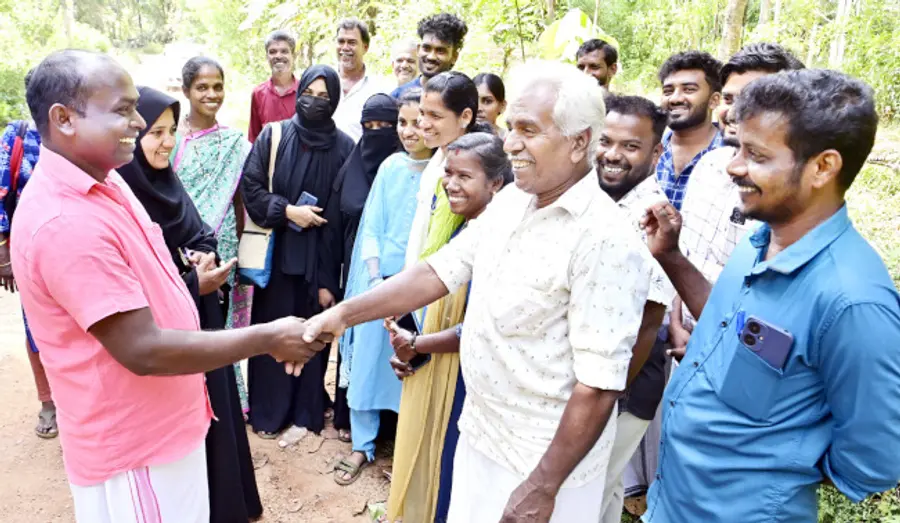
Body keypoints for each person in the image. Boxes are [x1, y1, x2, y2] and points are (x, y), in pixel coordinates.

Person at [302, 60, 652, 523]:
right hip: (481, 434)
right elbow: (436, 273)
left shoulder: (606, 239)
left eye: (529, 130)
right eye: (511, 128)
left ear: (579, 141)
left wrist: (542, 487)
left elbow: (599, 386)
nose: (510, 144)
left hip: (544, 468)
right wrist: (341, 316)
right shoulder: (512, 202)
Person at [11, 49, 323, 523]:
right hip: (136, 450)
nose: (138, 122)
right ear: (64, 119)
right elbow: (144, 350)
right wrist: (267, 338)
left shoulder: (108, 181)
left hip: (166, 431)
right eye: (121, 110)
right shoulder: (64, 221)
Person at [640, 69, 900, 522]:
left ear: (823, 167)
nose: (734, 166)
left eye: (756, 155)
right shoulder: (761, 240)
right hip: (672, 502)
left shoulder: (853, 304)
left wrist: (776, 471)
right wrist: (672, 258)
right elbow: (738, 330)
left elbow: (876, 460)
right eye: (737, 147)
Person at [118, 85, 263, 523]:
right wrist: (188, 281)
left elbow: (195, 230)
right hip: (163, 336)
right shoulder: (125, 193)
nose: (165, 142)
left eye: (169, 132)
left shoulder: (168, 182)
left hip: (201, 319)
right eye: (154, 133)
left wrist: (204, 255)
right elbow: (135, 278)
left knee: (217, 411)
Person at [387, 132, 512, 523]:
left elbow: (476, 326)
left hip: (474, 380)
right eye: (448, 173)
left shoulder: (499, 238)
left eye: (464, 176)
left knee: (457, 473)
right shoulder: (457, 224)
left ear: (496, 183)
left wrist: (418, 344)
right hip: (440, 362)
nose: (451, 184)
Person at [241, 65, 355, 448]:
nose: (316, 102)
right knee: (273, 335)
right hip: (275, 261)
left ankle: (306, 412)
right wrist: (288, 211)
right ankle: (268, 413)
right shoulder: (273, 136)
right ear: (299, 91)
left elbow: (340, 220)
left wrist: (328, 281)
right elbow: (251, 188)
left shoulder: (345, 148)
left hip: (317, 265)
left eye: (325, 97)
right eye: (310, 92)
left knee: (310, 337)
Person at [672, 43, 804, 356]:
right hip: (682, 347)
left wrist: (716, 340)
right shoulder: (709, 165)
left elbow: (784, 330)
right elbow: (689, 254)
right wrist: (677, 322)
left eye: (753, 99)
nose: (732, 111)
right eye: (729, 98)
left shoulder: (792, 199)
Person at [326, 92, 423, 485]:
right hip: (377, 280)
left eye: (418, 122)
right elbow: (373, 227)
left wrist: (411, 285)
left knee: (410, 364)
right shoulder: (390, 166)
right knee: (368, 360)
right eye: (403, 122)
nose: (408, 130)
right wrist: (378, 279)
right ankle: (362, 444)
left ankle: (406, 448)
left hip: (421, 286)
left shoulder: (445, 169)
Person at [591, 94, 673, 523]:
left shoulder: (652, 215)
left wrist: (606, 397)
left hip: (624, 386)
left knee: (589, 486)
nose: (612, 155)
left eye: (630, 146)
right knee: (603, 489)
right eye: (606, 141)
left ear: (656, 152)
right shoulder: (593, 196)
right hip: (590, 380)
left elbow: (649, 321)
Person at [172, 56, 254, 417]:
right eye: (202, 87)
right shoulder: (170, 139)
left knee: (218, 330)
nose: (211, 94)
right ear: (187, 90)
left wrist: (239, 247)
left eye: (217, 86)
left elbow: (239, 200)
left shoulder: (234, 142)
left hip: (222, 247)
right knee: (182, 324)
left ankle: (226, 402)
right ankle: (186, 403)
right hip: (178, 249)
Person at [0, 69, 57, 440]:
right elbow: (2, 190)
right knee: (35, 327)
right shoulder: (17, 136)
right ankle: (48, 402)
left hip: (76, 251)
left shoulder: (79, 134)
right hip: (29, 252)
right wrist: (4, 252)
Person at [404, 71, 486, 275]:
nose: (423, 123)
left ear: (465, 117)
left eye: (435, 116)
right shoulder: (440, 158)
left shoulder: (462, 173)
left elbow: (437, 246)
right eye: (422, 113)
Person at [655, 50, 724, 210]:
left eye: (689, 90)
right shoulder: (649, 148)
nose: (675, 98)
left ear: (714, 101)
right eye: (668, 91)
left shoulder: (731, 155)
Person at [332, 18, 390, 142]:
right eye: (341, 41)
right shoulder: (324, 82)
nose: (345, 47)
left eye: (352, 42)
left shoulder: (379, 88)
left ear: (365, 47)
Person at [391, 13, 468, 99]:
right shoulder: (397, 97)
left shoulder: (462, 97)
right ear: (418, 49)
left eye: (440, 51)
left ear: (454, 57)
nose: (431, 57)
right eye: (426, 48)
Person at [249, 30, 300, 143]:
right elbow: (254, 137)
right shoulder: (258, 94)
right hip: (267, 159)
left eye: (284, 51)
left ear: (293, 55)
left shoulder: (305, 91)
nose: (278, 56)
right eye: (272, 52)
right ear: (267, 56)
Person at [473, 73, 507, 138]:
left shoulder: (509, 141)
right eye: (474, 101)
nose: (478, 108)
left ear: (502, 106)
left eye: (488, 101)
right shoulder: (455, 138)